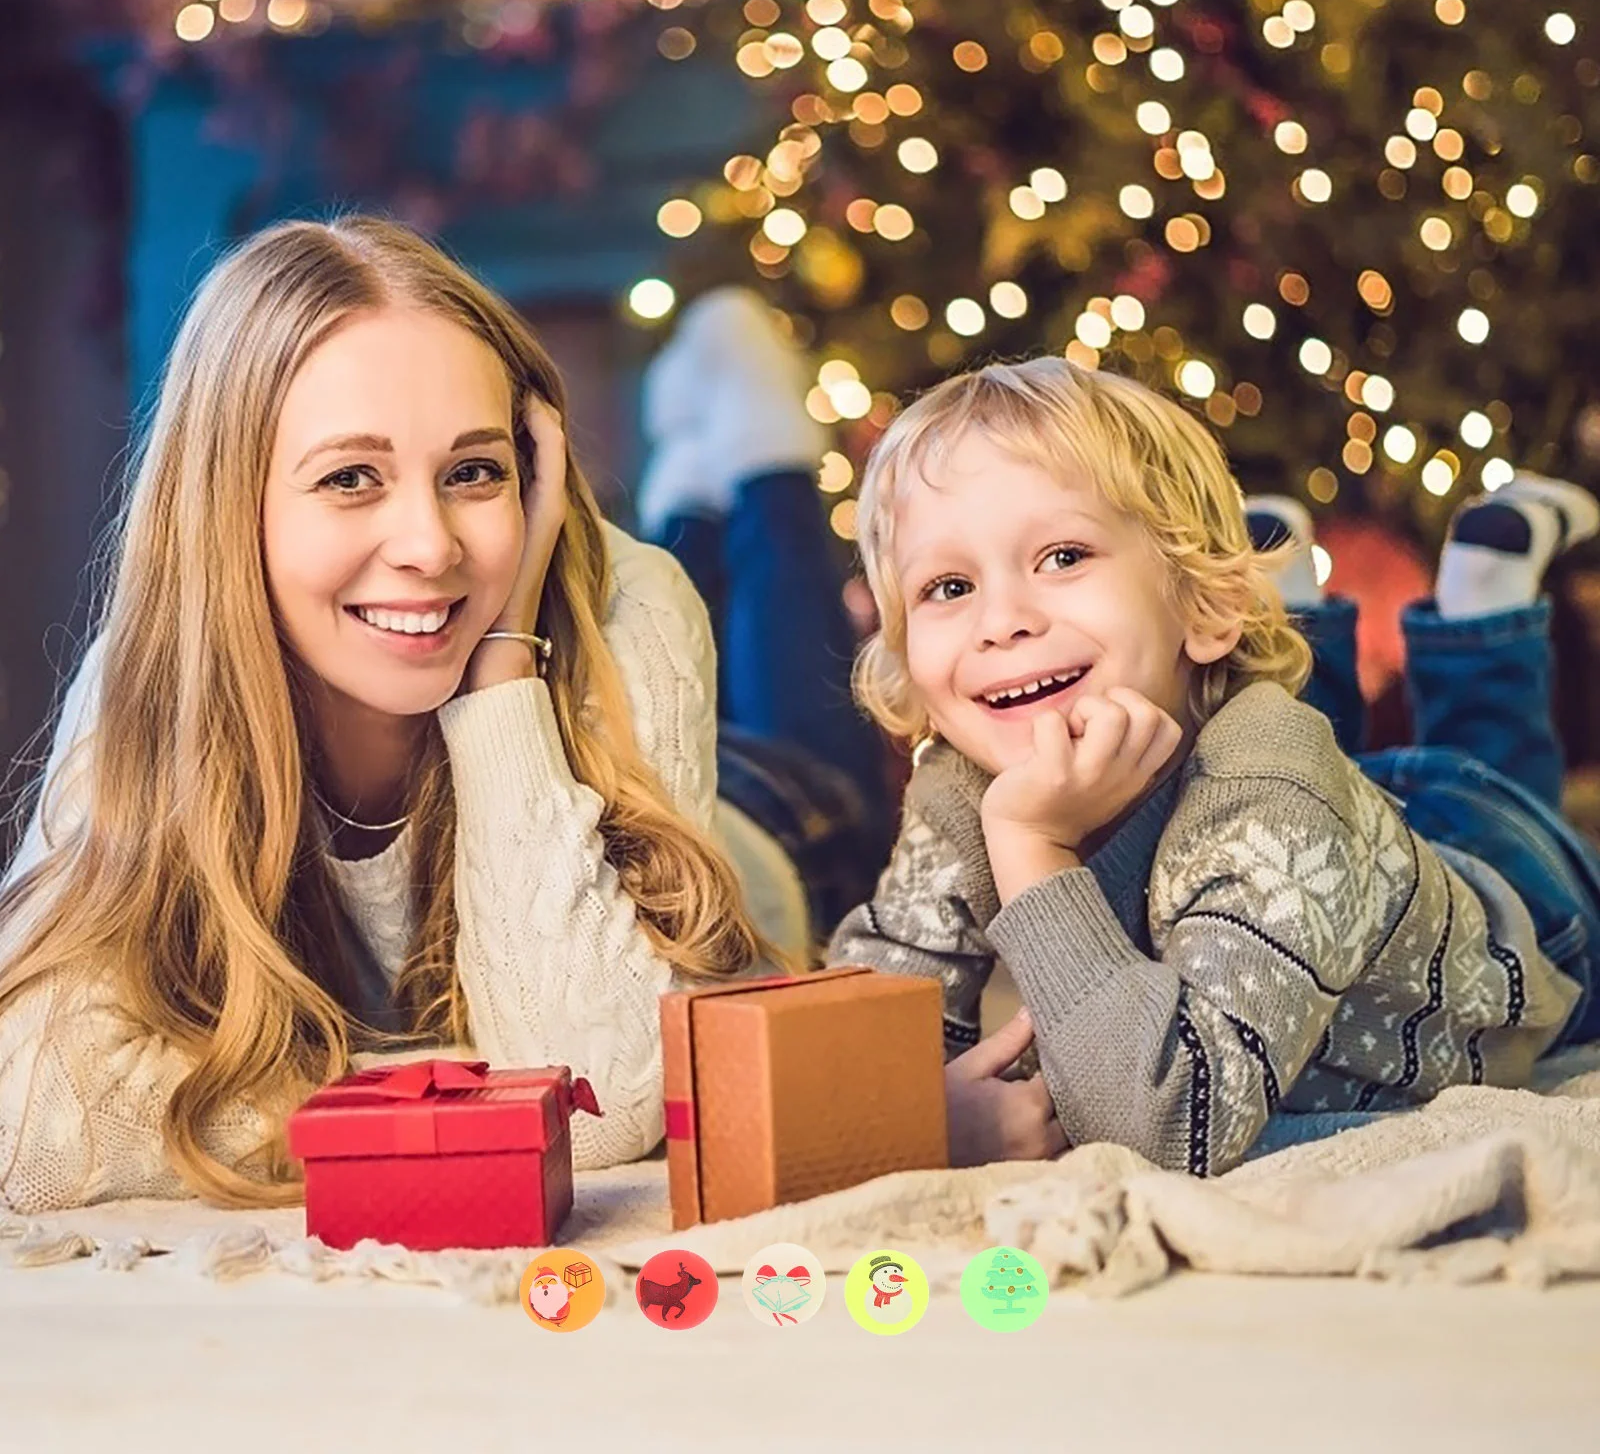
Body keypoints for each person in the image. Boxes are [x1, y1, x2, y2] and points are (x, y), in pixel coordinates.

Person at [0, 216, 787, 1213]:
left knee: (801, 682)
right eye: (349, 478)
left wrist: (504, 673)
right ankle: (705, 484)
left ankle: (759, 468)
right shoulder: (157, 667)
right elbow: (29, 1116)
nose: (427, 544)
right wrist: (453, 1104)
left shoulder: (627, 609)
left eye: (474, 471)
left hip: (760, 833)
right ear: (229, 508)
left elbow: (603, 1116)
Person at [828, 356, 1600, 1175]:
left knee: (1481, 762)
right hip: (1317, 839)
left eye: (1061, 557)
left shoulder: (1274, 790)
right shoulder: (964, 777)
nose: (1003, 621)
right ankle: (1292, 591)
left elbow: (1168, 1130)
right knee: (1305, 752)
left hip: (1513, 889)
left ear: (1204, 607)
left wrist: (1031, 846)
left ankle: (1490, 597)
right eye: (948, 586)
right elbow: (843, 1053)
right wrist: (914, 1115)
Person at [635, 287, 895, 939]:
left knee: (682, 700)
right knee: (807, 777)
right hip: (794, 835)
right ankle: (739, 488)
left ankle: (718, 495)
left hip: (672, 806)